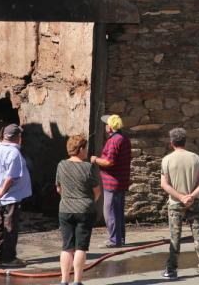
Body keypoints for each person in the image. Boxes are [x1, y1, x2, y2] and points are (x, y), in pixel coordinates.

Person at [160, 127, 199, 279]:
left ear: (171, 143)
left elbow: (164, 184)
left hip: (175, 203)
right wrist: (191, 196)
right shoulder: (195, 158)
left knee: (175, 236)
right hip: (194, 202)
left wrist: (181, 197)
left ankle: (171, 270)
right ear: (185, 141)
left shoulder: (167, 160)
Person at [56, 134, 101, 285]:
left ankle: (64, 281)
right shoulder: (88, 167)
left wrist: (68, 198)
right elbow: (97, 192)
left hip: (65, 209)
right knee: (81, 247)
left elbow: (59, 188)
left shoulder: (61, 165)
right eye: (86, 147)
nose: (87, 150)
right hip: (84, 210)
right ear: (80, 149)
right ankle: (77, 281)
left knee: (67, 246)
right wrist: (87, 202)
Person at [0, 123, 33, 267]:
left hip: (0, 196)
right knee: (10, 226)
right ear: (17, 137)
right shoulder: (14, 153)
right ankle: (9, 258)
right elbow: (10, 178)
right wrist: (1, 191)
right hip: (12, 196)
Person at [89, 113, 131, 248]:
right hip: (121, 181)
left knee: (110, 211)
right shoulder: (124, 138)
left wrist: (95, 159)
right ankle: (120, 239)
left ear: (111, 127)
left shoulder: (114, 141)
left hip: (112, 182)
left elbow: (109, 161)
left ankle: (114, 240)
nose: (105, 126)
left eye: (107, 124)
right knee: (118, 211)